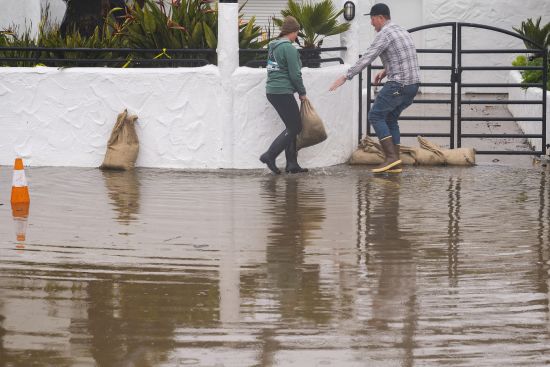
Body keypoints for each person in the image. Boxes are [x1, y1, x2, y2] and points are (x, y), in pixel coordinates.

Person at [329, 3, 420, 174]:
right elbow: (405, 57)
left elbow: (367, 57)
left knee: (375, 115)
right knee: (390, 118)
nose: (371, 24)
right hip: (412, 86)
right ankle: (396, 160)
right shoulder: (402, 31)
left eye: (372, 19)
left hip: (399, 84)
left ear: (380, 17)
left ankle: (391, 157)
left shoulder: (384, 34)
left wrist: (346, 76)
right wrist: (386, 71)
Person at [260, 16, 309, 175]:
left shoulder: (274, 46)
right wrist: (302, 92)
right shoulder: (288, 48)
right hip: (282, 92)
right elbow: (295, 74)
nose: (297, 36)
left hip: (273, 91)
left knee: (291, 127)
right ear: (292, 31)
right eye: (297, 33)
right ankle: (270, 155)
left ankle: (292, 164)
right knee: (296, 126)